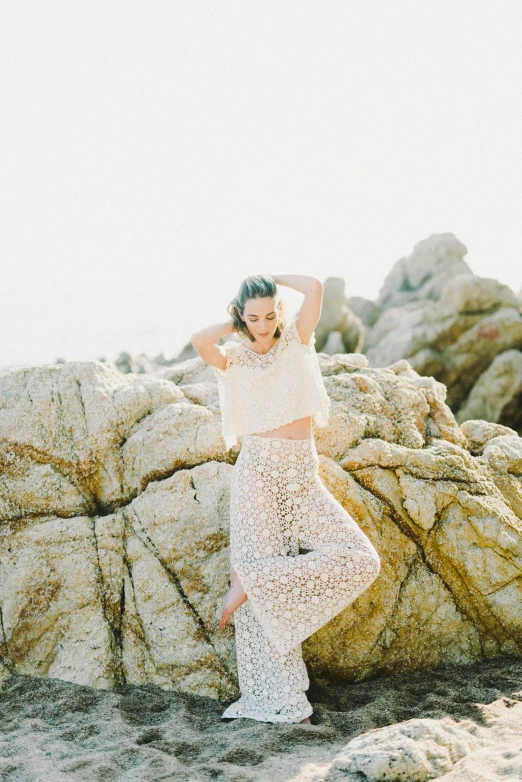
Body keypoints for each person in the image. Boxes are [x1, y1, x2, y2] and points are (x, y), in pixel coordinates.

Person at [191, 273, 381, 725]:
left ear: (280, 311)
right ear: (242, 316)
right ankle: (280, 697)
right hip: (256, 472)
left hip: (300, 473)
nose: (263, 324)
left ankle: (252, 580)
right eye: (253, 317)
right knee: (258, 600)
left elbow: (314, 288)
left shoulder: (297, 339)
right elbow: (199, 341)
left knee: (360, 558)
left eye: (270, 314)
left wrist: (273, 279)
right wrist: (236, 324)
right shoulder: (235, 356)